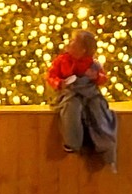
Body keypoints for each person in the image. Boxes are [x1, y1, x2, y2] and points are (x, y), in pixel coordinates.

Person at [47, 30, 117, 168]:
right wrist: (59, 83)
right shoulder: (62, 61)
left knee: (97, 109)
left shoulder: (93, 64)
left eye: (73, 41)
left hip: (90, 94)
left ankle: (103, 143)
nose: (69, 43)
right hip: (70, 93)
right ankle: (73, 142)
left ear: (83, 49)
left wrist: (96, 77)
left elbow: (103, 78)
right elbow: (51, 76)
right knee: (72, 107)